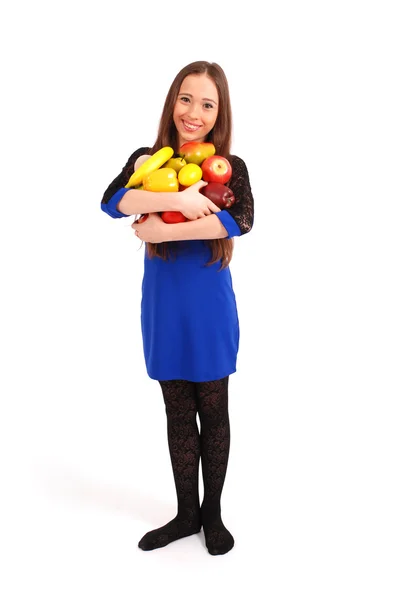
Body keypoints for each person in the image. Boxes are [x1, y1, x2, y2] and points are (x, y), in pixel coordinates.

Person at [100, 61, 254, 555]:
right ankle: (187, 513)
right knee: (176, 411)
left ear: (218, 113)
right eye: (186, 99)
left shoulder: (231, 166)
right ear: (172, 102)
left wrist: (167, 226)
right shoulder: (150, 159)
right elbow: (111, 201)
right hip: (163, 304)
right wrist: (171, 199)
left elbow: (240, 221)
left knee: (214, 408)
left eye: (207, 104)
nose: (194, 112)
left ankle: (214, 515)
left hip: (208, 302)